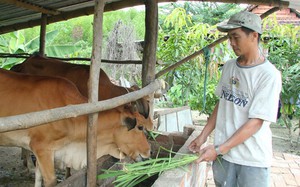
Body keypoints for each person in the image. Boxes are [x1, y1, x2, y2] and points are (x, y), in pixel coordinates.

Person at [188, 11, 282, 187]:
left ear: (254, 36)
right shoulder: (230, 66)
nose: (231, 43)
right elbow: (222, 104)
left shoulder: (268, 75)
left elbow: (256, 122)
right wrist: (203, 136)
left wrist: (218, 150)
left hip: (251, 160)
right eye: (229, 38)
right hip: (225, 157)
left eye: (236, 37)